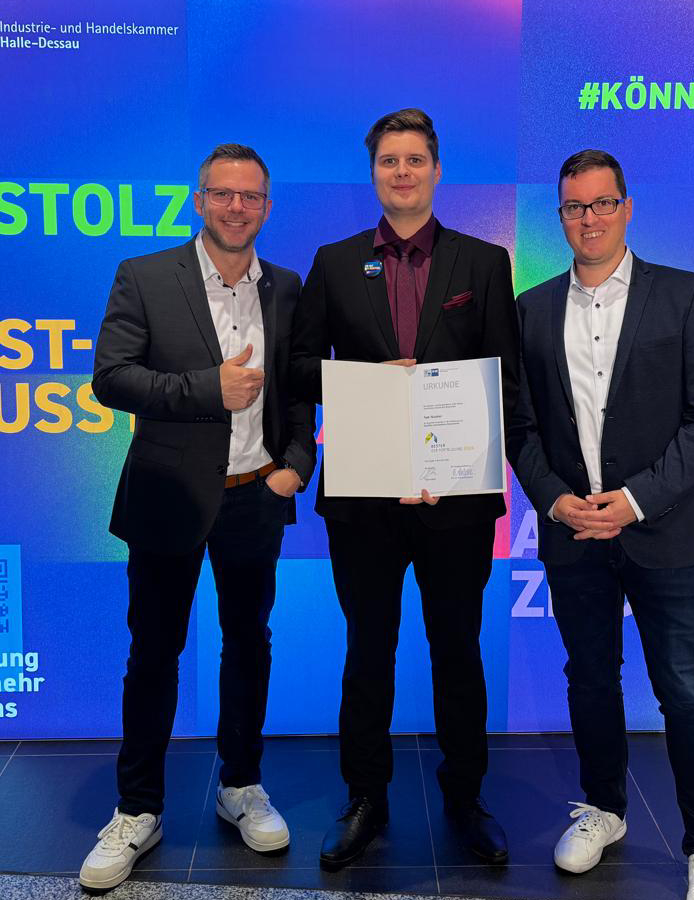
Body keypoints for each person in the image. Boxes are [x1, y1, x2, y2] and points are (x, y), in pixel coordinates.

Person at [81, 143, 315, 891]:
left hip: (255, 495)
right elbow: (111, 378)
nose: (236, 207)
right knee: (154, 652)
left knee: (249, 645)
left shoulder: (287, 287)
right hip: (167, 495)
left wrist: (295, 466)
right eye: (222, 194)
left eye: (250, 196)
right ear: (199, 200)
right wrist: (206, 388)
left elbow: (298, 391)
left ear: (267, 206)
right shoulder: (145, 275)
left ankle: (241, 786)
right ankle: (137, 809)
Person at [289, 108, 519, 870]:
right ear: (373, 173)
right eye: (389, 161)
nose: (402, 172)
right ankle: (365, 798)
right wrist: (363, 381)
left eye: (415, 159)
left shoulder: (483, 263)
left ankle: (466, 797)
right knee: (368, 650)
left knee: (457, 649)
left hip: (457, 502)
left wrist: (459, 462)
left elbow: (504, 379)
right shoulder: (334, 262)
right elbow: (299, 369)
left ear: (437, 170)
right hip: (365, 501)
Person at [506, 149, 694, 900]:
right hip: (574, 532)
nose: (590, 219)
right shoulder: (531, 310)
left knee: (688, 691)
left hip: (663, 530)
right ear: (560, 217)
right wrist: (554, 499)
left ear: (627, 208)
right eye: (575, 207)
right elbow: (521, 428)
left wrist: (635, 500)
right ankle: (604, 808)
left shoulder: (685, 294)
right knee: (590, 680)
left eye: (603, 203)